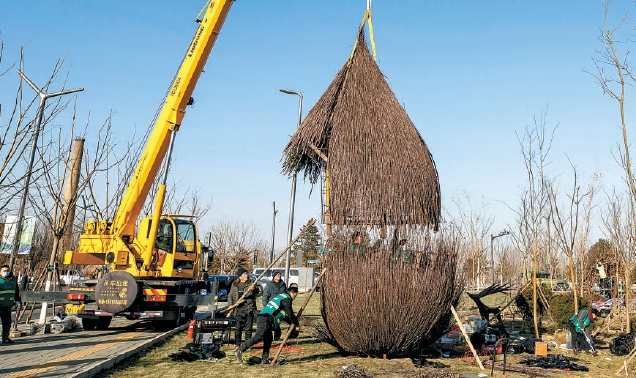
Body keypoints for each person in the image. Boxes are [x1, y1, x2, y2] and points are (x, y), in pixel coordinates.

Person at [234, 283, 300, 365]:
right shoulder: (287, 299)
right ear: (292, 293)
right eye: (295, 296)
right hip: (265, 318)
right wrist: (296, 325)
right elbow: (290, 313)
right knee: (259, 336)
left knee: (268, 339)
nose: (294, 298)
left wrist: (291, 323)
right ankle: (240, 350)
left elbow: (284, 315)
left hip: (266, 318)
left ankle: (265, 359)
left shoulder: (281, 297)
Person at [227, 268, 259, 346]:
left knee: (248, 328)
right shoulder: (234, 285)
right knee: (238, 328)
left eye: (246, 273)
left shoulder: (251, 283)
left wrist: (253, 289)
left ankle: (247, 345)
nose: (246, 275)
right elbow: (230, 296)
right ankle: (237, 344)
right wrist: (230, 305)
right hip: (238, 309)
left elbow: (257, 291)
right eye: (244, 274)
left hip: (248, 308)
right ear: (239, 276)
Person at [262, 271, 287, 340]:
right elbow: (265, 296)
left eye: (280, 274)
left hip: (281, 306)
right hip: (272, 306)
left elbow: (286, 295)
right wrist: (266, 305)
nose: (279, 275)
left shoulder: (283, 285)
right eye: (277, 274)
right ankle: (270, 336)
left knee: (277, 320)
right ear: (274, 276)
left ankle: (277, 335)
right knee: (271, 322)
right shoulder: (269, 285)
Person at [0, 265, 21, 344]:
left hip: (7, 305)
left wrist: (17, 300)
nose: (6, 272)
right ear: (0, 272)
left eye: (7, 270)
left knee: (7, 323)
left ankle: (5, 338)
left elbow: (16, 291)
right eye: (4, 271)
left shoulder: (13, 280)